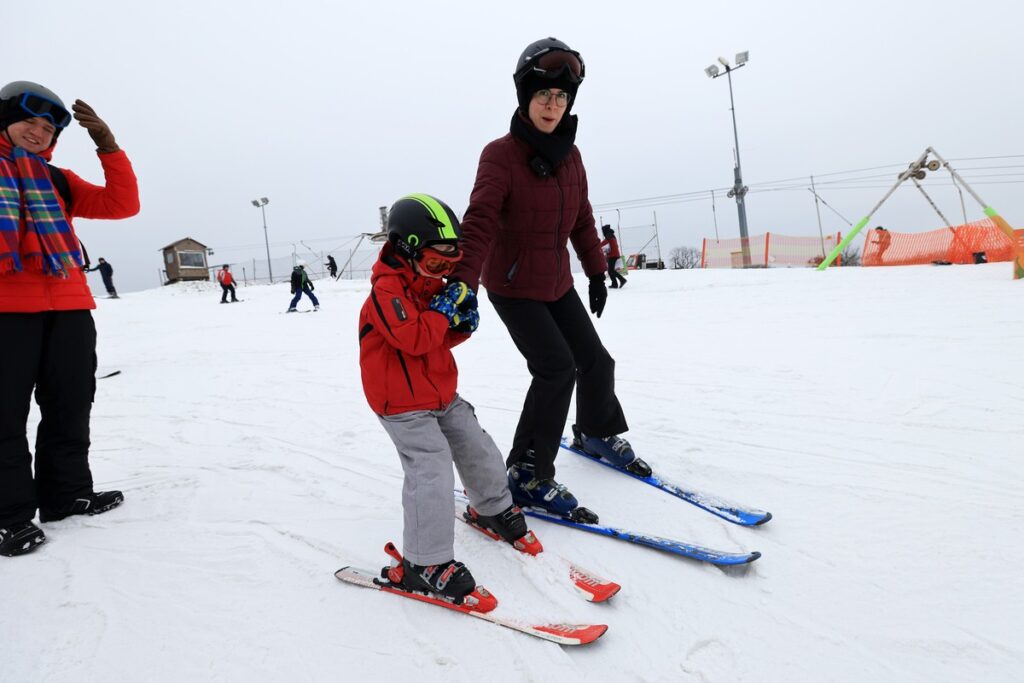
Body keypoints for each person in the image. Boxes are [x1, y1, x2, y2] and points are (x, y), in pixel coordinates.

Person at [452, 37, 650, 523]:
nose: (552, 105)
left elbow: (581, 217)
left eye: (561, 97)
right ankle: (527, 470)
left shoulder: (571, 155)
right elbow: (478, 221)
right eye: (544, 95)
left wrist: (597, 272)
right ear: (525, 97)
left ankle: (596, 431)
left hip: (556, 280)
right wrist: (463, 283)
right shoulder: (499, 155)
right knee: (556, 367)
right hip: (514, 285)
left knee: (595, 360)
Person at [358, 194, 537, 607]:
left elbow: (437, 336)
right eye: (436, 262)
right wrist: (442, 312)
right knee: (431, 466)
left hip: (438, 391)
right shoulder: (386, 291)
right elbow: (414, 337)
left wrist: (461, 323)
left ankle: (491, 507)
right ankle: (426, 563)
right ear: (406, 249)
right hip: (400, 403)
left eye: (448, 263)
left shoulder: (428, 285)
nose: (443, 271)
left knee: (475, 442)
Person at [0, 81, 138, 557]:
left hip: (70, 308)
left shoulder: (58, 180)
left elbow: (122, 205)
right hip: (6, 312)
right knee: (4, 416)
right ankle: (7, 516)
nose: (37, 133)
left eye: (47, 128)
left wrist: (108, 146)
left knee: (70, 405)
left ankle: (66, 494)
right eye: (28, 122)